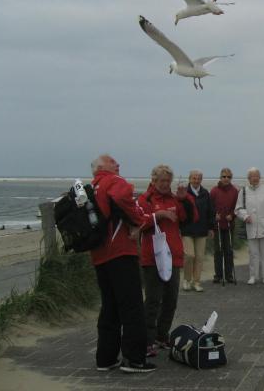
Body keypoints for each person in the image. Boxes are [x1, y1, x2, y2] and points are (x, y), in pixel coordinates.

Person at [88, 154, 155, 373]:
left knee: (109, 306)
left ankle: (105, 358)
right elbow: (121, 198)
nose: (117, 164)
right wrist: (137, 220)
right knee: (132, 306)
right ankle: (134, 359)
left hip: (99, 254)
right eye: (112, 161)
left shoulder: (92, 187)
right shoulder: (114, 181)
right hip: (120, 252)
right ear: (102, 167)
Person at [138, 164, 197, 358]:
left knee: (171, 300)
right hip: (153, 257)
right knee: (153, 300)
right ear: (154, 180)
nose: (165, 184)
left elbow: (190, 219)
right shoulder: (145, 199)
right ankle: (147, 340)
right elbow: (139, 222)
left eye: (168, 181)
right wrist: (158, 215)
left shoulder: (174, 199)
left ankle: (162, 336)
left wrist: (185, 199)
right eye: (162, 181)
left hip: (173, 256)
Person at [235, 168, 264, 284]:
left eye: (257, 176)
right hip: (251, 226)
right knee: (253, 253)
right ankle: (253, 276)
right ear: (248, 178)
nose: (255, 178)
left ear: (260, 177)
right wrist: (245, 216)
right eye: (252, 176)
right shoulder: (243, 191)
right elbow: (238, 208)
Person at [180, 169, 214, 292]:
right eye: (194, 178)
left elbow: (210, 211)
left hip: (201, 229)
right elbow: (179, 210)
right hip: (187, 230)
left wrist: (211, 227)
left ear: (201, 180)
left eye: (199, 178)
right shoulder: (184, 192)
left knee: (199, 257)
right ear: (189, 179)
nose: (196, 180)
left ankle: (197, 282)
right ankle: (186, 280)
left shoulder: (205, 193)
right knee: (189, 255)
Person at [210, 168, 239, 284]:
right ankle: (218, 275)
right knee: (218, 251)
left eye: (228, 177)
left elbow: (237, 207)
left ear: (231, 178)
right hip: (217, 225)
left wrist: (232, 215)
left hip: (229, 225)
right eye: (224, 176)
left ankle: (229, 275)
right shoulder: (214, 191)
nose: (226, 179)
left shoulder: (234, 191)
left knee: (229, 250)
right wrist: (214, 215)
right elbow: (210, 207)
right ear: (220, 177)